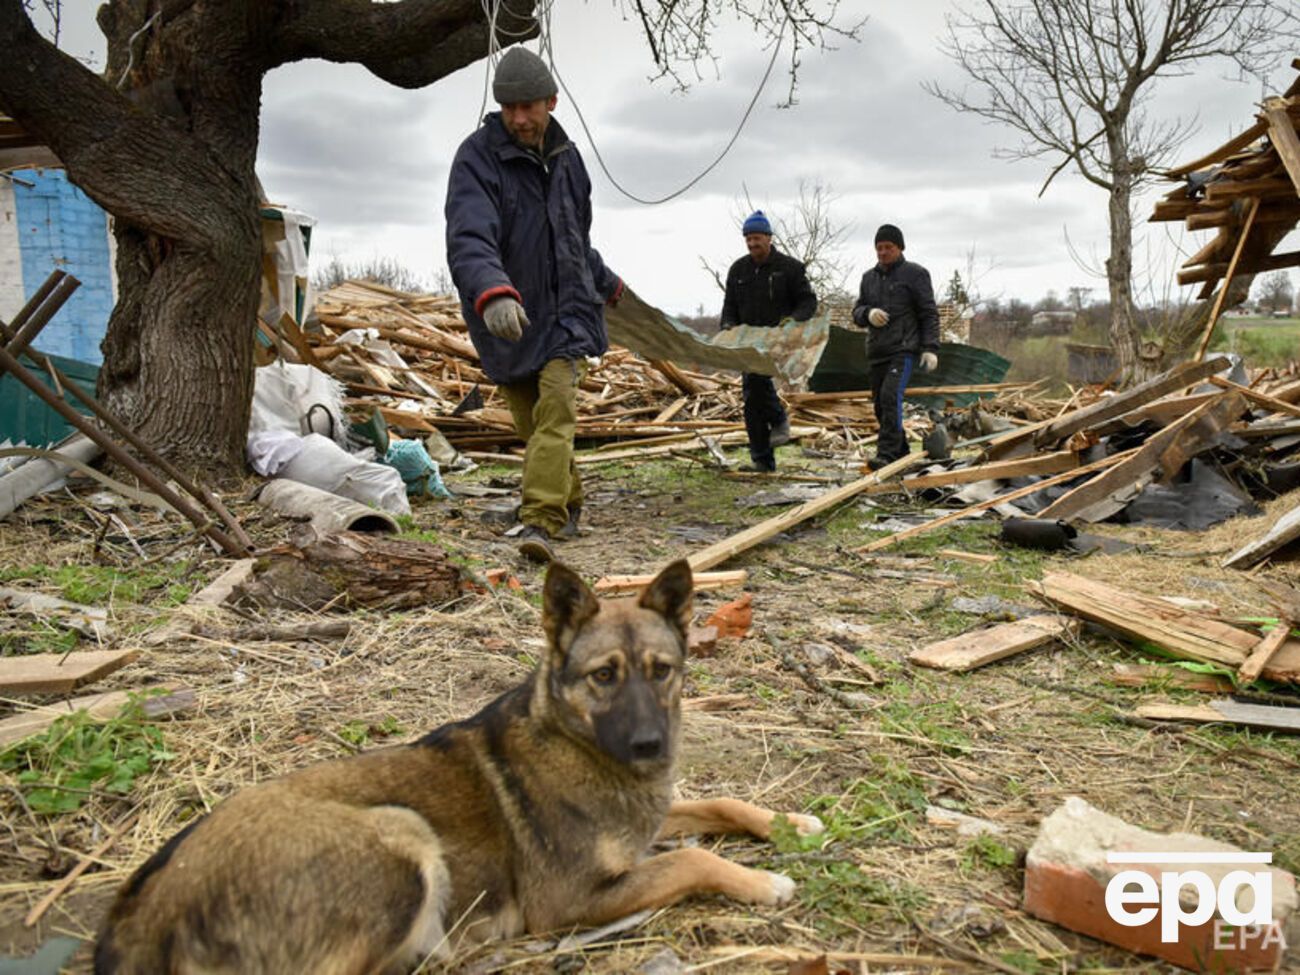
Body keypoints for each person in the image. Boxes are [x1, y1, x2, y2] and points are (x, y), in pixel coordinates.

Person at [445, 47, 623, 563]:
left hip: (566, 315)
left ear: (551, 100)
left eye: (528, 107)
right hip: (509, 318)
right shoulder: (476, 159)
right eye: (509, 108)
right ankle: (569, 503)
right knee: (533, 426)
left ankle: (540, 521)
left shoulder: (570, 160)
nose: (519, 118)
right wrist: (493, 292)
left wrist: (605, 282)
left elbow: (574, 238)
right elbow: (470, 237)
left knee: (556, 415)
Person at [719, 211, 817, 472]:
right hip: (750, 343)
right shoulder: (738, 270)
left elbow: (808, 302)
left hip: (780, 340)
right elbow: (729, 306)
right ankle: (762, 459)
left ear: (769, 238)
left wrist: (793, 321)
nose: (752, 244)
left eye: (757, 238)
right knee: (752, 399)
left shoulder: (790, 268)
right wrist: (728, 327)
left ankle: (777, 421)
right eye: (748, 239)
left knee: (757, 386)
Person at [851, 224, 939, 470]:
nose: (882, 252)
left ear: (900, 247)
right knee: (880, 404)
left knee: (891, 397)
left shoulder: (916, 274)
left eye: (888, 247)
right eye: (878, 248)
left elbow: (929, 313)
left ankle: (886, 454)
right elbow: (856, 311)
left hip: (903, 349)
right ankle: (900, 451)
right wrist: (867, 313)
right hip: (877, 350)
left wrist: (930, 347)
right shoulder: (869, 278)